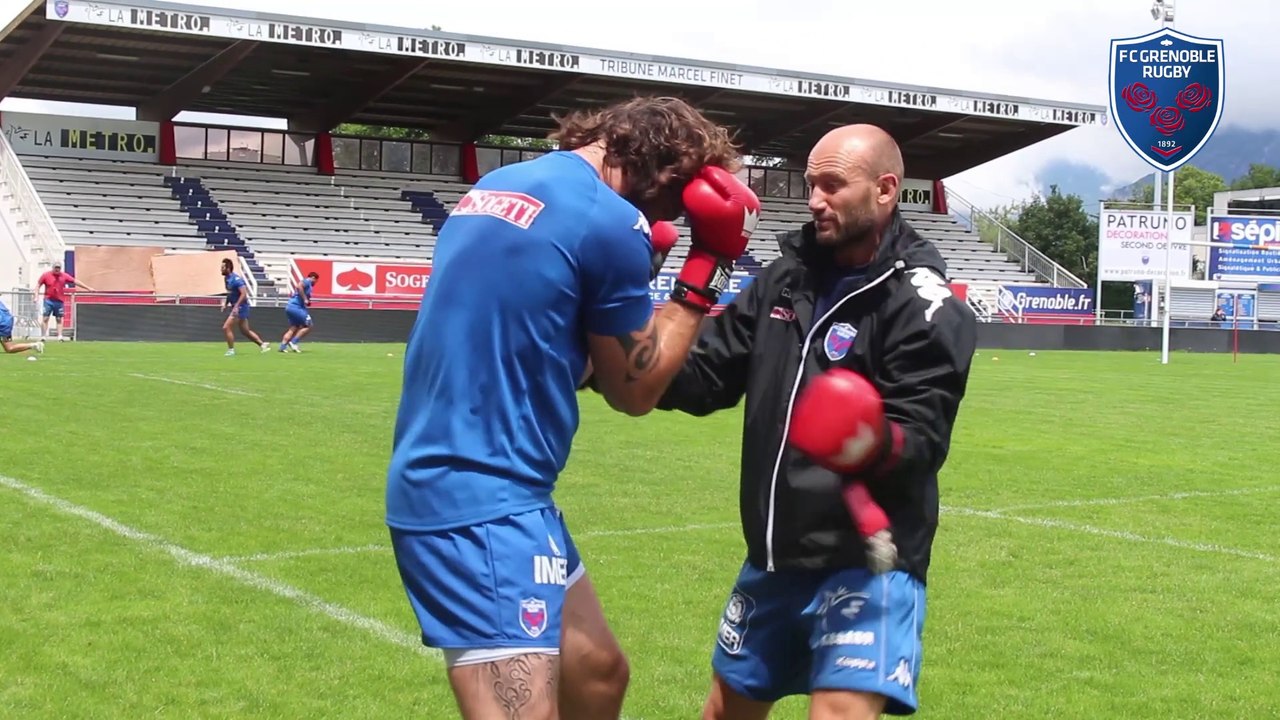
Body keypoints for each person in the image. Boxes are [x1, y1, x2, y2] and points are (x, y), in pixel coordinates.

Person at [384, 95, 761, 720]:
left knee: (598, 675)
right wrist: (708, 264)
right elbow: (634, 391)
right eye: (673, 202)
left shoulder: (497, 185)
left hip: (486, 485)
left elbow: (560, 347)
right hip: (482, 501)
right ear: (664, 168)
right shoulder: (608, 220)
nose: (667, 216)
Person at [653, 124, 977, 719]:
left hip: (870, 563)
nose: (814, 200)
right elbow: (702, 377)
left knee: (839, 712)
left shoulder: (924, 304)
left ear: (884, 191)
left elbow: (923, 437)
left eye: (832, 185)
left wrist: (865, 439)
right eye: (810, 184)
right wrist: (609, 356)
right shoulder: (784, 279)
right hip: (775, 559)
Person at [219, 258, 269, 355]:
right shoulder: (227, 279)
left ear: (228, 268)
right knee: (245, 331)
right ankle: (262, 345)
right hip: (237, 306)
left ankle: (231, 350)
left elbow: (244, 294)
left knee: (226, 327)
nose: (221, 270)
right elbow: (230, 293)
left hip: (241, 307)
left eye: (222, 268)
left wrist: (236, 306)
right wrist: (225, 304)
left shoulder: (237, 280)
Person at [34, 261, 94, 341]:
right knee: (45, 318)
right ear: (53, 268)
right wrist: (36, 296)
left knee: (59, 318)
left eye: (58, 268)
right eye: (56, 268)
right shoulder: (46, 275)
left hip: (59, 300)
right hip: (48, 300)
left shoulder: (64, 276)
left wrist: (88, 288)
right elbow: (38, 285)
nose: (57, 269)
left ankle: (60, 336)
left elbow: (75, 281)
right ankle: (43, 336)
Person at [279, 271, 319, 352]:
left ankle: (282, 347)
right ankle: (294, 342)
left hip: (290, 306)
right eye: (316, 280)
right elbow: (299, 286)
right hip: (296, 307)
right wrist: (305, 299)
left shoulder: (308, 286)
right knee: (309, 325)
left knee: (293, 327)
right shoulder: (307, 281)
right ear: (313, 278)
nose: (316, 283)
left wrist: (307, 301)